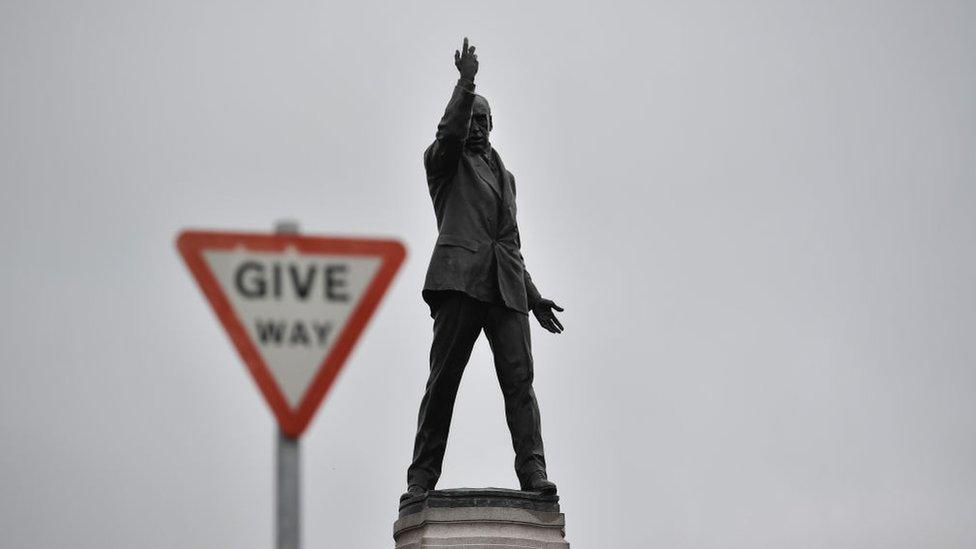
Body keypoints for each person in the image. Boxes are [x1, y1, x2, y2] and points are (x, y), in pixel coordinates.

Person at [404, 38, 565, 501]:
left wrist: (533, 297)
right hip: (459, 282)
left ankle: (534, 473)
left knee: (520, 385)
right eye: (470, 117)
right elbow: (449, 132)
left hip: (507, 291)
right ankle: (421, 479)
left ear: (493, 125)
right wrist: (466, 82)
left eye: (481, 119)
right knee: (443, 382)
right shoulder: (444, 164)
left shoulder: (506, 177)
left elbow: (510, 242)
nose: (474, 125)